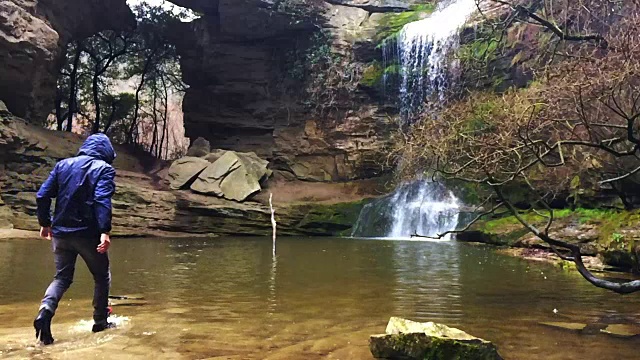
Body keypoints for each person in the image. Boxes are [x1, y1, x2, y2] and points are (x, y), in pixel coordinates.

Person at [33, 133, 117, 345]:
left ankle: (45, 310)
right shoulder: (104, 169)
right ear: (106, 152)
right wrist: (104, 231)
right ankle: (100, 321)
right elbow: (101, 200)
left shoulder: (63, 165)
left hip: (60, 234)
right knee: (101, 275)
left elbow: (42, 195)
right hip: (87, 234)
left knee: (62, 277)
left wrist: (45, 223)